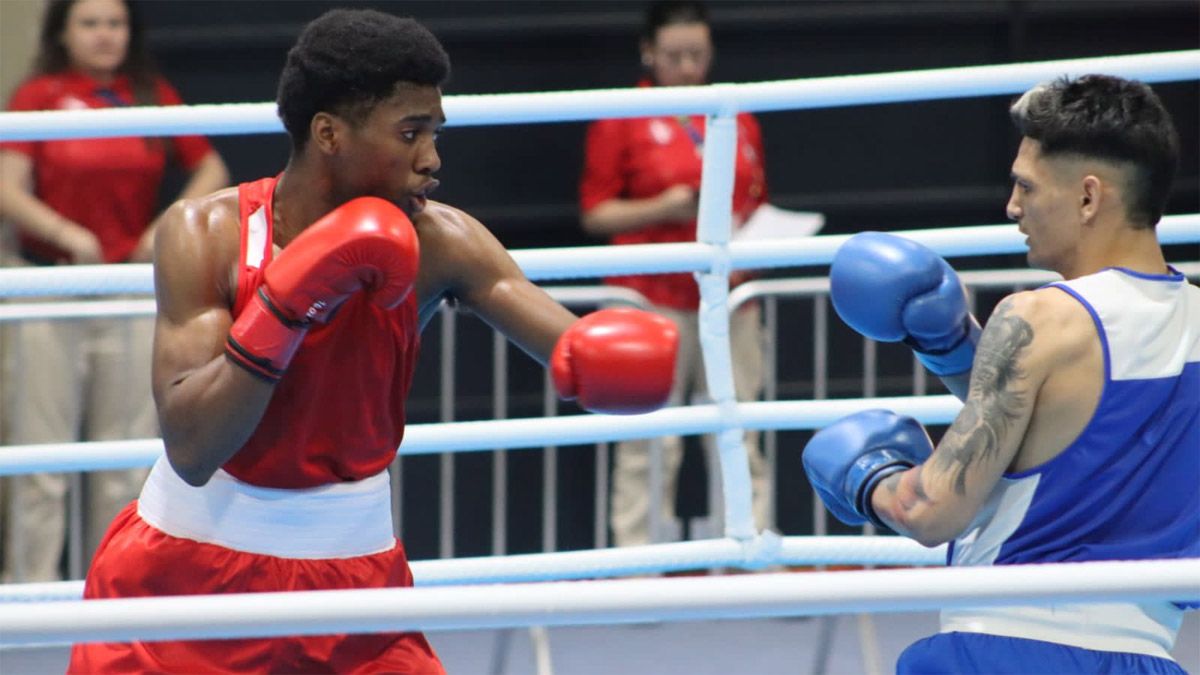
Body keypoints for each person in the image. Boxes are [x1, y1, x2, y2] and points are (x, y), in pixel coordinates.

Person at [67, 8, 679, 673]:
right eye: (410, 132)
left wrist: (599, 357)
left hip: (355, 587)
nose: (432, 159)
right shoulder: (207, 233)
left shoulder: (440, 241)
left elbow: (568, 342)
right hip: (184, 579)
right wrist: (287, 302)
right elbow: (192, 446)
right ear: (329, 133)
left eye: (435, 133)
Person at [803, 74, 1197, 673]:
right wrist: (955, 348)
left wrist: (870, 479)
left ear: (1089, 197)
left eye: (1026, 186)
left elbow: (931, 511)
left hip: (1001, 648)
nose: (1013, 207)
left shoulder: (1038, 318)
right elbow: (1085, 431)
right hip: (1149, 657)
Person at [0, 0, 228, 583]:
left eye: (115, 23)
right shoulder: (40, 93)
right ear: (65, 32)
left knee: (124, 458)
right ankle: (30, 597)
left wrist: (163, 229)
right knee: (40, 459)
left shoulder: (150, 93)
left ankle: (116, 589)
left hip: (127, 288)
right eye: (90, 23)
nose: (105, 35)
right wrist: (62, 231)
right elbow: (6, 186)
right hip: (49, 290)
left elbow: (212, 169)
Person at [579, 0, 771, 547]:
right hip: (648, 298)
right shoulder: (621, 114)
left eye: (697, 54)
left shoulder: (734, 112)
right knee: (647, 440)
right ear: (649, 53)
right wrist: (663, 206)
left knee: (741, 431)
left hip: (729, 297)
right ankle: (636, 560)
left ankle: (750, 549)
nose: (688, 67)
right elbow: (595, 211)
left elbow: (757, 202)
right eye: (674, 56)